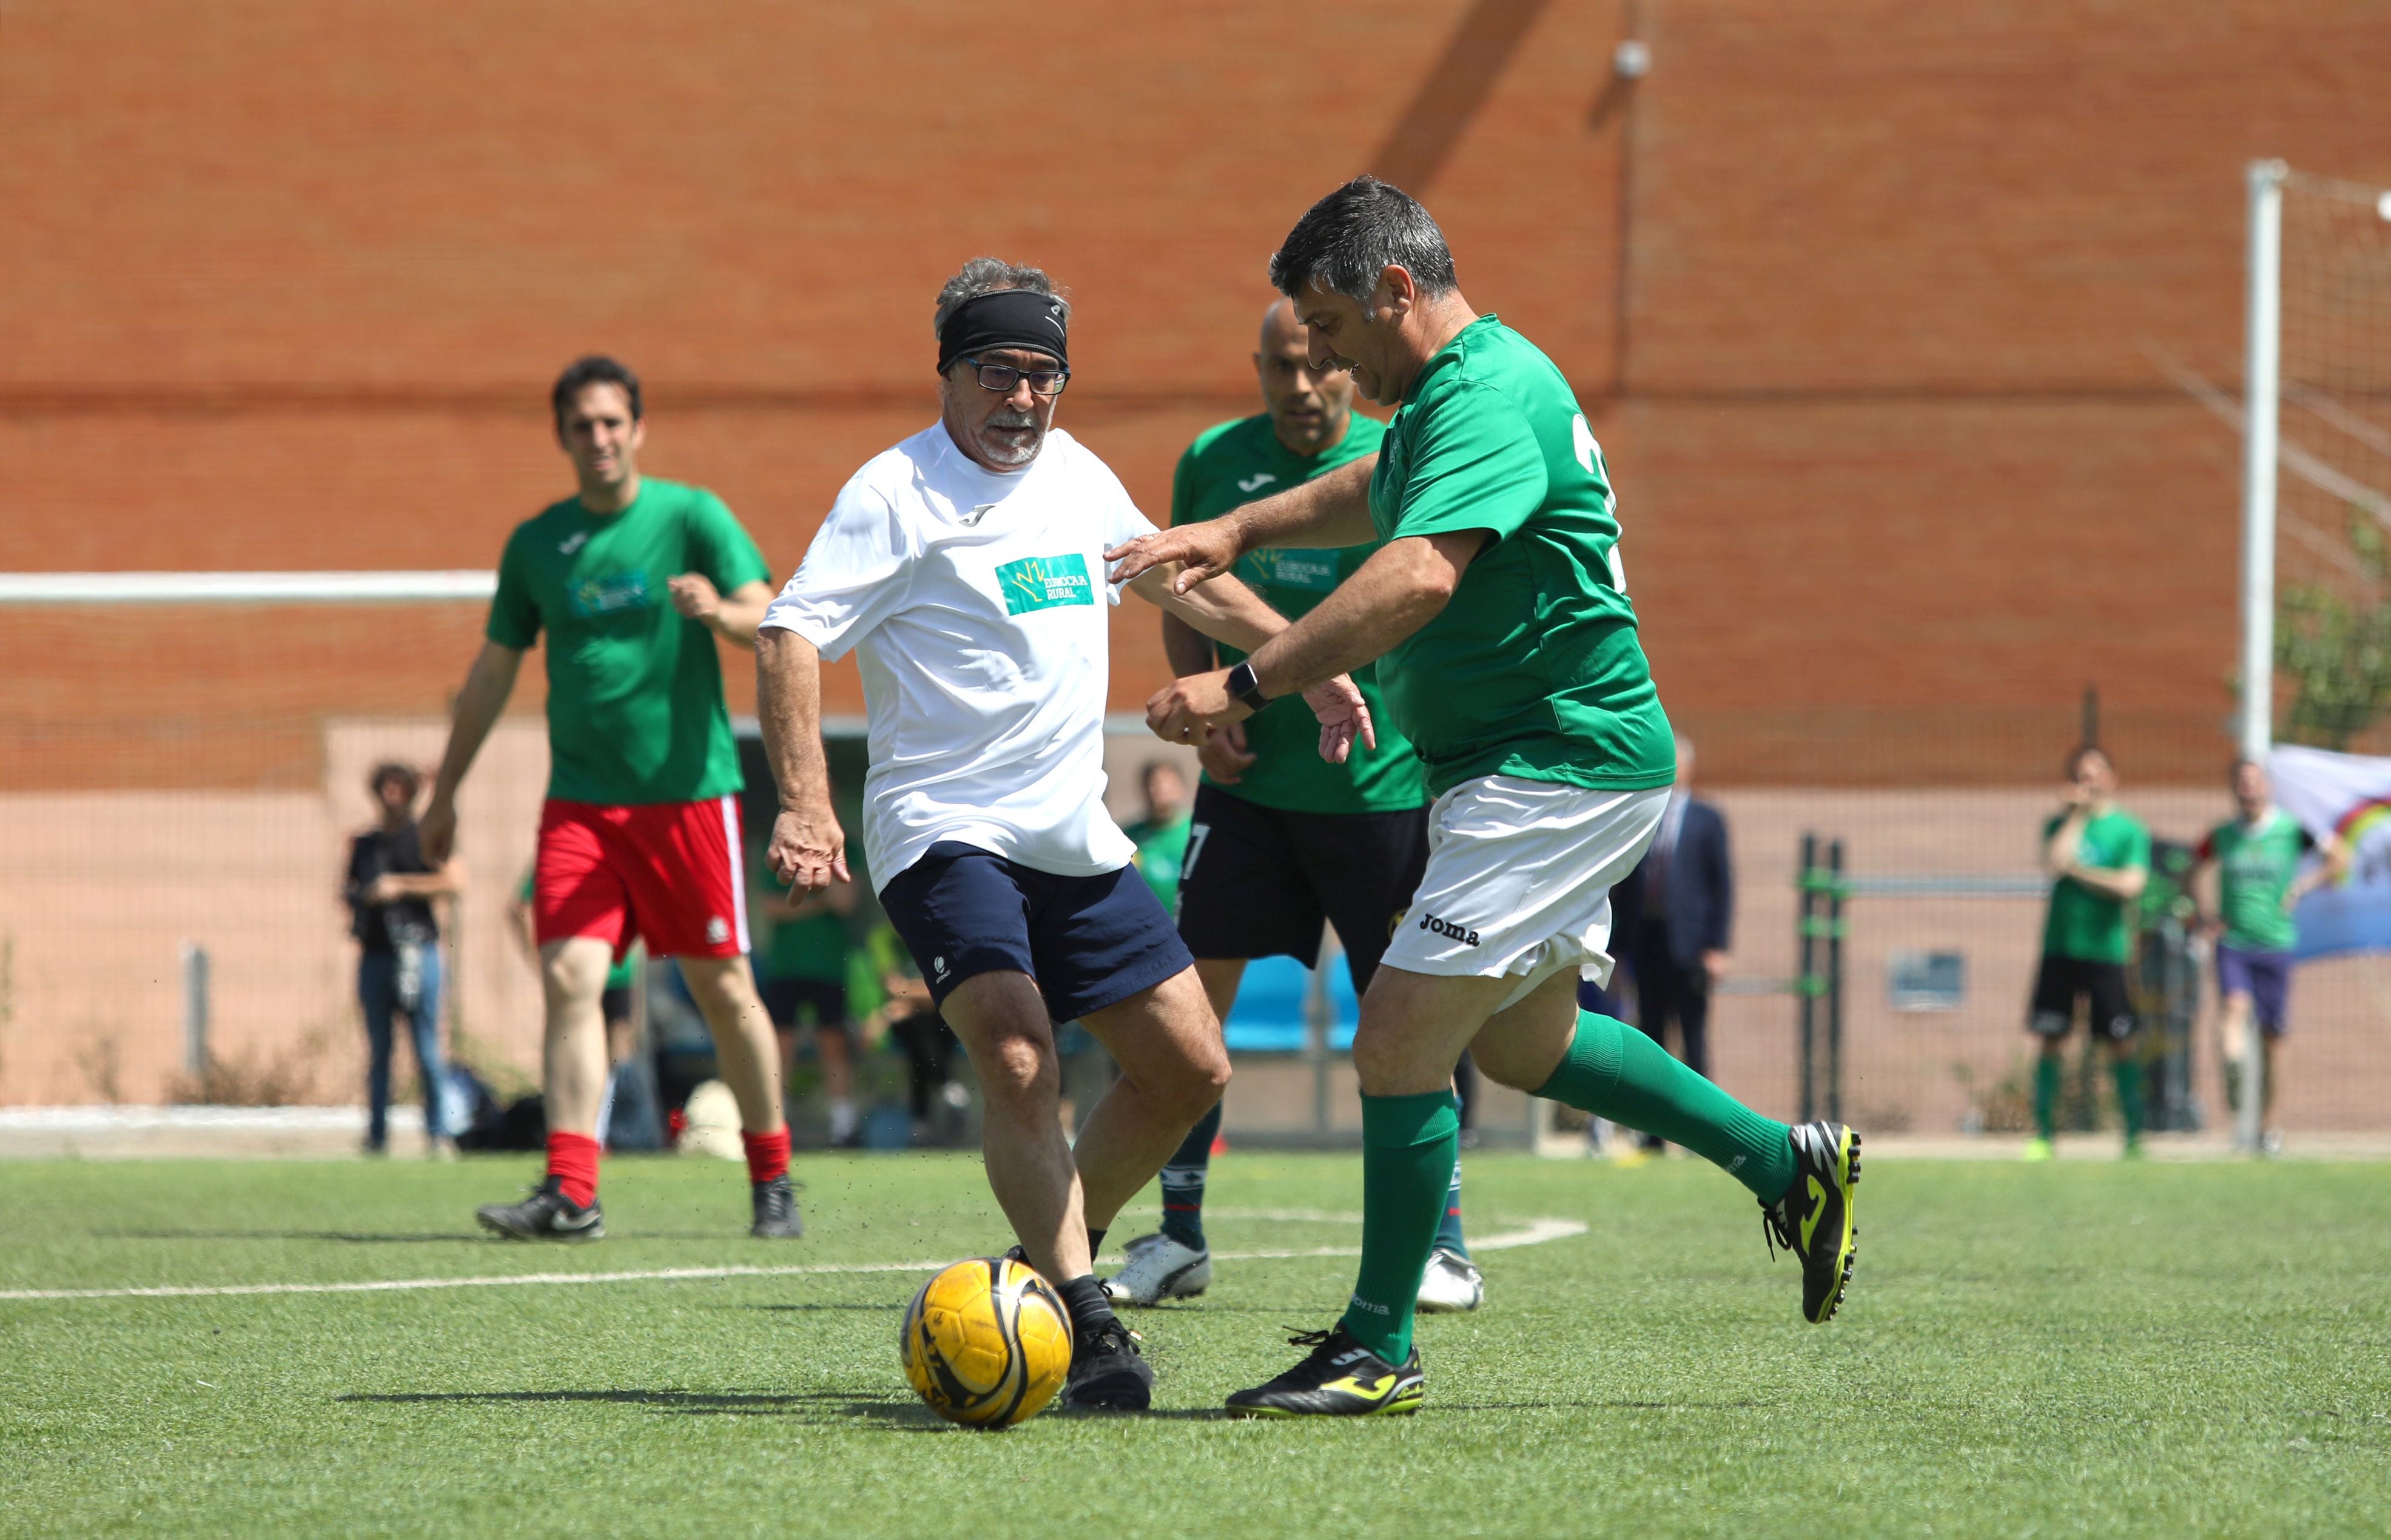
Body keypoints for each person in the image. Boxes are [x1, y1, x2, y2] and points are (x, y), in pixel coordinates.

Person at [1114, 177, 1860, 1417]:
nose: (1327, 360)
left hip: (1558, 764)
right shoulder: (1453, 401)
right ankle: (1787, 1164)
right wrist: (1235, 532)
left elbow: (1412, 574)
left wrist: (1244, 684)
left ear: (1394, 290)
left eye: (1333, 329)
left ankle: (1377, 1344)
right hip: (1512, 768)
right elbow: (1373, 492)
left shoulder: (1489, 389)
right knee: (1525, 1042)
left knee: (1399, 1035)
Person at [755, 258, 1374, 1411]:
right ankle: (1090, 1321)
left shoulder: (1079, 477)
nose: (1024, 399)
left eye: (1045, 377)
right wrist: (803, 800)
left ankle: (1042, 1269)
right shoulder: (893, 492)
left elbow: (1179, 581)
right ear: (950, 373)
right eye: (1000, 373)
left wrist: (1309, 669)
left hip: (1068, 830)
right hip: (941, 825)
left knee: (1191, 1066)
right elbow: (790, 634)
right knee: (1020, 1049)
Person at [1105, 296, 1482, 1316]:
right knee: (1186, 1008)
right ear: (1259, 366)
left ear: (1349, 363)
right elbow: (1180, 589)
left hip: (1381, 788)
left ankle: (1445, 1244)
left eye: (1324, 365)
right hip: (1251, 791)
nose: (1306, 385)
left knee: (1411, 1019)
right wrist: (1206, 713)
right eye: (1283, 366)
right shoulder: (1211, 461)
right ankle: (1177, 1234)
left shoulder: (1402, 451)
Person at [420, 354, 800, 1242]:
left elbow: (772, 614)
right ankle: (571, 1187)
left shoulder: (692, 515)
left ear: (637, 427)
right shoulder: (535, 545)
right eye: (581, 424)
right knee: (569, 975)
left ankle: (772, 1172)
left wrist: (717, 613)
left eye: (611, 421)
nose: (598, 437)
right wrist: (443, 794)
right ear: (561, 436)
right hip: (581, 807)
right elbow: (488, 676)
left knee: (722, 987)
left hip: (688, 800)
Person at [2189, 757, 2346, 1154]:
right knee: (2234, 1006)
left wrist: (2302, 887)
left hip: (2276, 943)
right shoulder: (2223, 835)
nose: (2249, 790)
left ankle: (2268, 1127)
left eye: (2255, 782)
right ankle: (2234, 1073)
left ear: (2267, 787)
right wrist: (2203, 914)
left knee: (2273, 1037)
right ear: (2234, 789)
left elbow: (2339, 857)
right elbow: (2190, 868)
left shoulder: (2290, 830)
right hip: (2234, 941)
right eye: (2242, 783)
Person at [2024, 746, 2152, 1161]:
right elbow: (2054, 861)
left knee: (2120, 1040)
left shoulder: (2128, 830)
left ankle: (2132, 1136)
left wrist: (2081, 873)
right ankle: (2045, 1135)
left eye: (2096, 774)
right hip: (2060, 948)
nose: (2089, 782)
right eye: (2081, 775)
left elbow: (2130, 885)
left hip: (2106, 952)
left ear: (2113, 778)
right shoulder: (2060, 824)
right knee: (2051, 1038)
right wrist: (2077, 815)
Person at [1621, 733, 1734, 1151]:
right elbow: (1624, 885)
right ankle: (1653, 1135)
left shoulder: (1708, 818)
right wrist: (1618, 949)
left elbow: (1723, 887)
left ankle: (1706, 1134)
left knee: (1694, 1038)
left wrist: (1718, 946)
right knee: (1650, 1041)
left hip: (1690, 946)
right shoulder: (1640, 815)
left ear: (1688, 768)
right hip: (1647, 941)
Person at [344, 762, 463, 1157]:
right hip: (375, 956)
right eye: (385, 789)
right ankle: (377, 1137)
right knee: (380, 1052)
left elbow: (455, 882)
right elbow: (347, 887)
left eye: (400, 789)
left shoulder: (424, 838)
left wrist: (400, 886)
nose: (391, 797)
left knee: (427, 1050)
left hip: (419, 954)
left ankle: (437, 1133)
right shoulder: (366, 843)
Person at [509, 869, 661, 1151]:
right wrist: (538, 960)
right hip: (579, 976)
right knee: (577, 1050)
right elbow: (517, 909)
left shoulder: (620, 851)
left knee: (617, 1057)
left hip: (620, 975)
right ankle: (581, 1136)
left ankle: (601, 1135)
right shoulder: (560, 850)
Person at [753, 849, 861, 1146]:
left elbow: (845, 903)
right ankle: (774, 1123)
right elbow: (771, 907)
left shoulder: (844, 849)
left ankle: (844, 1126)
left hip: (828, 966)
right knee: (782, 1045)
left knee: (834, 1044)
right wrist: (819, 903)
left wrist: (826, 863)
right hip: (786, 966)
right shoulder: (779, 852)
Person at [1123, 761, 1193, 911]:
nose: (1161, 789)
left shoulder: (1194, 831)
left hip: (1189, 924)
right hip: (1146, 924)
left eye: (1168, 783)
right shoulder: (1128, 837)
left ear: (1181, 788)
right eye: (1155, 783)